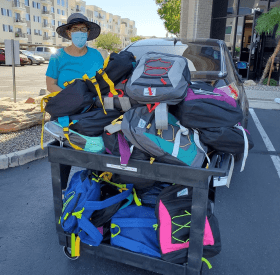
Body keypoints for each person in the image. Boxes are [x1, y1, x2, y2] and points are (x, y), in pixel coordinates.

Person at [46, 13, 103, 92]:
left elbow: (102, 81)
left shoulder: (96, 55)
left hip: (93, 103)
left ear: (88, 33)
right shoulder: (57, 56)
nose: (79, 32)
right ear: (69, 33)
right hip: (66, 102)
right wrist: (71, 99)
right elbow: (50, 85)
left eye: (83, 29)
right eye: (75, 29)